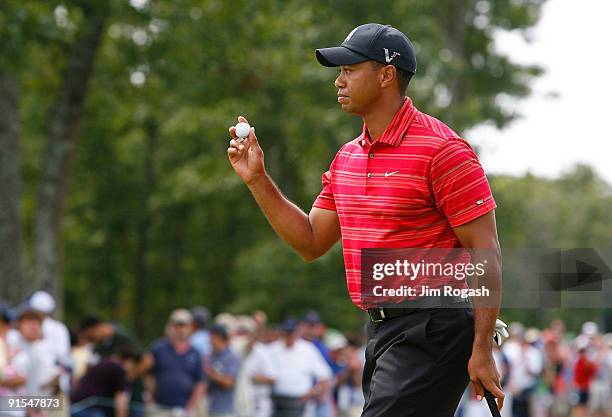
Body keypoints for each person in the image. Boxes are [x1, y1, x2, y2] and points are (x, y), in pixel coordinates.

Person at [227, 22, 503, 416]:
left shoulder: (443, 150)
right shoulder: (347, 158)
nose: (338, 81)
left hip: (435, 325)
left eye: (349, 70)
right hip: (380, 328)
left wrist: (481, 349)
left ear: (387, 75)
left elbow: (486, 251)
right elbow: (310, 241)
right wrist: (257, 179)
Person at [141, 309, 205, 417]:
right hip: (159, 408)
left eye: (183, 326)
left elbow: (200, 383)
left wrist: (190, 407)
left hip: (183, 409)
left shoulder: (196, 353)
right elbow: (147, 373)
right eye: (177, 325)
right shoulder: (158, 348)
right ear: (171, 326)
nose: (180, 329)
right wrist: (150, 396)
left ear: (190, 328)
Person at [268, 319, 332, 417]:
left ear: (296, 332)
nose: (289, 336)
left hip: (300, 401)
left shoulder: (308, 349)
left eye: (291, 332)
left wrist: (312, 392)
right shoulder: (273, 348)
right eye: (287, 332)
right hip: (276, 401)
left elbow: (325, 377)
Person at [71, 346, 142, 417]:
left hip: (75, 406)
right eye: (134, 365)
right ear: (129, 361)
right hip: (89, 408)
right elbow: (120, 402)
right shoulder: (118, 370)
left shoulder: (104, 362)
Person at [205, 325, 241, 417]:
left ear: (219, 337)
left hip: (225, 411)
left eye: (211, 336)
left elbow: (229, 382)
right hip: (209, 407)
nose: (209, 340)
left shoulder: (232, 357)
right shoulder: (210, 356)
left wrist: (210, 373)